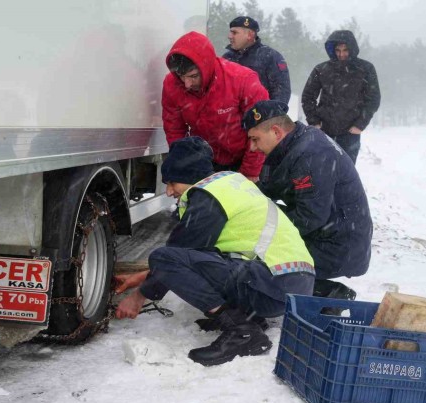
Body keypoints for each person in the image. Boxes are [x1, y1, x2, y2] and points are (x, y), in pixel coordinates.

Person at [114, 136, 315, 366]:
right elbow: (195, 255)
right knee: (209, 257)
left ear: (190, 176)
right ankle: (249, 317)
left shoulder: (208, 197)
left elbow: (174, 258)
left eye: (172, 183)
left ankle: (241, 329)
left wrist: (140, 295)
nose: (169, 191)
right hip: (292, 283)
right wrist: (142, 277)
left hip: (273, 283)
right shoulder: (230, 184)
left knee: (162, 257)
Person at [243, 100, 372, 298]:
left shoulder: (310, 155)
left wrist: (261, 235)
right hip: (331, 233)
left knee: (256, 262)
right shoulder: (295, 142)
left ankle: (327, 294)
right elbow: (270, 189)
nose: (252, 148)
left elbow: (309, 217)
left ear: (276, 132)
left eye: (255, 139)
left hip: (339, 246)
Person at [162, 31, 269, 181]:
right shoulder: (172, 85)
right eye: (181, 76)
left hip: (245, 157)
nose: (187, 84)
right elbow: (174, 130)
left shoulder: (242, 80)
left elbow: (261, 129)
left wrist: (249, 173)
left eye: (193, 76)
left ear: (206, 67)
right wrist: (184, 168)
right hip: (205, 161)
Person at [301, 30, 381, 165]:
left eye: (345, 50)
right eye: (338, 50)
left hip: (351, 133)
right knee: (322, 170)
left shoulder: (366, 69)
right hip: (324, 131)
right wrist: (314, 122)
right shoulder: (321, 69)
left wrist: (360, 124)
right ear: (332, 50)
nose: (341, 54)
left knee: (347, 173)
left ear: (352, 49)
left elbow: (373, 99)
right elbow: (308, 96)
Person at [222, 16, 291, 104]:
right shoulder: (226, 59)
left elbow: (281, 92)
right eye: (230, 32)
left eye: (234, 33)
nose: (229, 36)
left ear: (250, 35)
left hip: (260, 116)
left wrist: (270, 114)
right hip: (231, 116)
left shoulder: (270, 57)